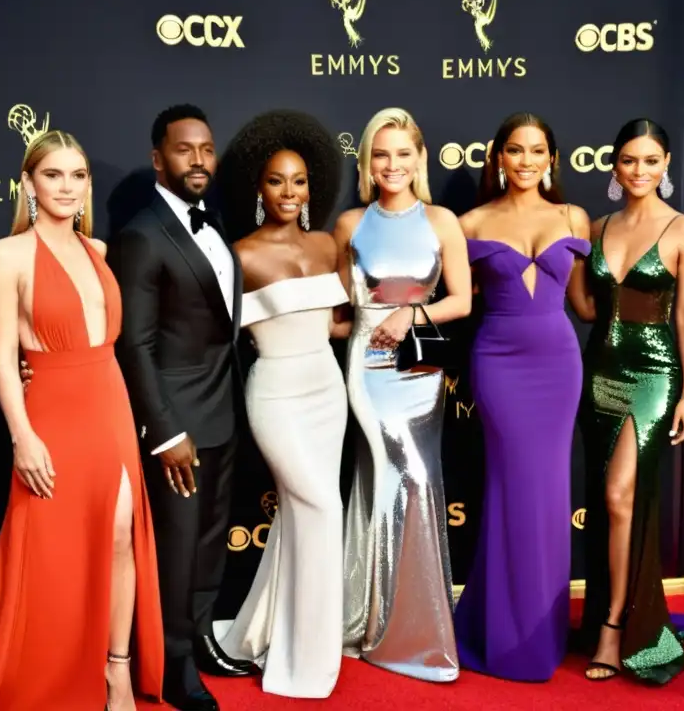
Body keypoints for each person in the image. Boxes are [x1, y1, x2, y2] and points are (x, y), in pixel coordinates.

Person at [0, 131, 164, 711]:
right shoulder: (5, 257)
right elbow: (4, 360)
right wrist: (22, 436)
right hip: (52, 414)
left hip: (108, 402)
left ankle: (117, 673)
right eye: (52, 175)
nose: (66, 186)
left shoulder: (99, 251)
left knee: (119, 539)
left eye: (77, 175)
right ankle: (52, 676)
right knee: (56, 553)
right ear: (29, 184)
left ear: (87, 185)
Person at [106, 105, 257, 711]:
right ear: (157, 158)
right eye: (184, 149)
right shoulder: (142, 235)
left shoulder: (214, 224)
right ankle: (171, 668)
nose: (198, 160)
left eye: (206, 149)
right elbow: (134, 344)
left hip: (224, 409)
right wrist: (164, 432)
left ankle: (200, 638)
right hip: (177, 425)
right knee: (175, 548)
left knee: (210, 542)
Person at [214, 110, 351, 698]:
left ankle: (260, 632)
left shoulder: (328, 244)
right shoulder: (237, 255)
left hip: (328, 389)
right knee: (321, 508)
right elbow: (210, 334)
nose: (289, 193)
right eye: (276, 181)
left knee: (303, 517)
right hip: (274, 392)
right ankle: (306, 661)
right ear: (258, 187)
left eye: (298, 181)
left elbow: (339, 324)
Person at [335, 107, 472, 683]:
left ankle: (396, 622)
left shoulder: (441, 220)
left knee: (418, 477)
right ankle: (383, 624)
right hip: (366, 362)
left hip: (420, 360)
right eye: (381, 155)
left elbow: (460, 300)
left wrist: (412, 314)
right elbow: (342, 312)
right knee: (392, 476)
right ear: (367, 162)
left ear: (419, 158)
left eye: (403, 154)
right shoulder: (348, 224)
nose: (392, 164)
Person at [567, 118, 684, 684]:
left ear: (666, 165)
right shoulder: (598, 225)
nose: (639, 171)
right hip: (599, 369)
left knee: (620, 494)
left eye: (651, 161)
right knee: (606, 502)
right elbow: (586, 309)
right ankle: (629, 606)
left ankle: (615, 625)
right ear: (613, 166)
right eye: (629, 160)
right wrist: (570, 257)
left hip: (653, 375)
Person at [454, 113, 591, 682]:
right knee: (511, 491)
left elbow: (583, 304)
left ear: (553, 159)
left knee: (550, 494)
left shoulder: (572, 216)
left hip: (558, 364)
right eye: (515, 150)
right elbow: (459, 298)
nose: (527, 161)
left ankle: (543, 629)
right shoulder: (470, 222)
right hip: (499, 365)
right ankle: (502, 633)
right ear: (498, 158)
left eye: (538, 151)